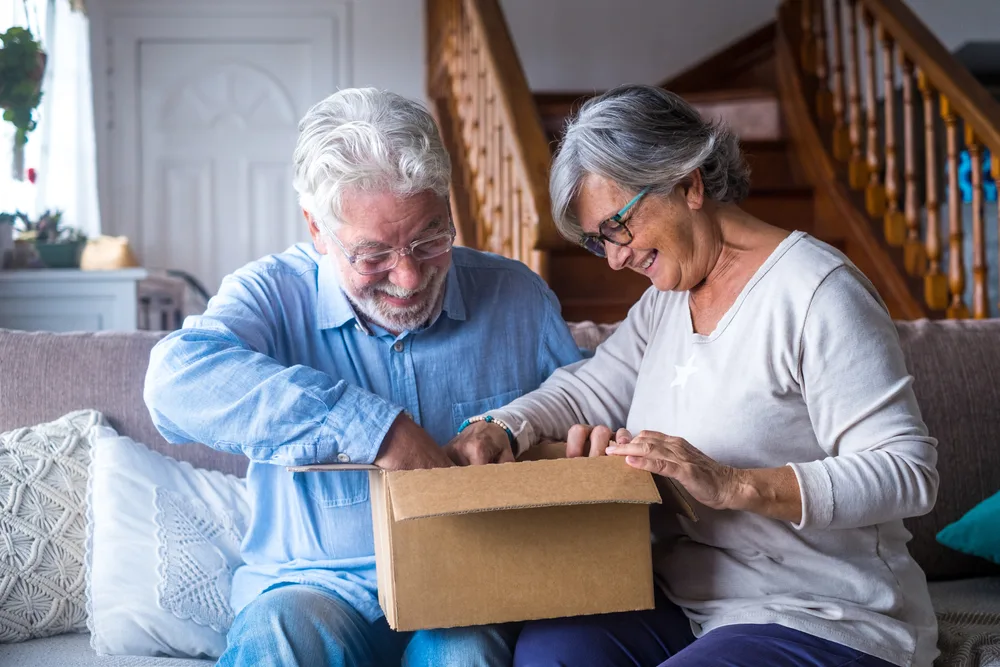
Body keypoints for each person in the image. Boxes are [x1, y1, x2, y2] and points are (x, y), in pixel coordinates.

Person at [453, 84, 940, 667]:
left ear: (689, 183)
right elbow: (589, 388)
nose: (614, 258)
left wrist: (733, 483)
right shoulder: (666, 302)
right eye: (596, 241)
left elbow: (907, 472)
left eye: (618, 226)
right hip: (690, 600)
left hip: (822, 612)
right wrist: (503, 427)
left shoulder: (815, 292)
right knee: (548, 652)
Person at [143, 87, 582, 667]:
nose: (407, 277)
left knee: (465, 652)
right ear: (317, 229)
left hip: (468, 590)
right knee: (281, 638)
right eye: (373, 253)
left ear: (449, 207)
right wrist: (376, 429)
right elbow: (175, 381)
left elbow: (581, 410)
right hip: (309, 589)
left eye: (429, 240)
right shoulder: (271, 292)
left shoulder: (518, 295)